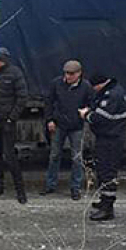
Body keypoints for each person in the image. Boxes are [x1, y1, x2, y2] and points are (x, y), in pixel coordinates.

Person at [41, 60, 94, 200]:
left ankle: (75, 188)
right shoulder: (56, 83)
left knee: (77, 158)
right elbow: (49, 102)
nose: (68, 77)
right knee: (54, 155)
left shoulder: (86, 87)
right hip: (59, 124)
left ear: (79, 74)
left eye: (71, 74)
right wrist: (50, 119)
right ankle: (50, 185)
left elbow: (92, 103)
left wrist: (87, 110)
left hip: (76, 126)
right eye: (66, 73)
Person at [0, 47, 28, 203]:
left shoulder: (15, 73)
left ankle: (20, 191)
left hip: (7, 120)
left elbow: (22, 98)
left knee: (10, 156)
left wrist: (11, 118)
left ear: (2, 60)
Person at [80, 73, 126, 221]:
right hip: (106, 138)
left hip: (111, 140)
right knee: (102, 170)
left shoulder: (112, 95)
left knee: (108, 172)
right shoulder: (111, 91)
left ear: (101, 84)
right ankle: (104, 201)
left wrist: (86, 114)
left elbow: (100, 118)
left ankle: (107, 209)